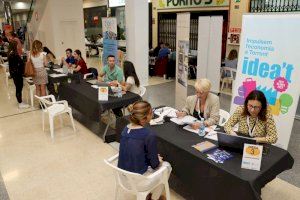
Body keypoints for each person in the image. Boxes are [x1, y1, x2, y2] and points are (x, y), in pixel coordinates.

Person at [118, 100, 171, 200]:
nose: (153, 114)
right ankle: (154, 198)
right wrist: (157, 160)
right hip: (138, 181)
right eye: (151, 112)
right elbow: (154, 165)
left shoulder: (125, 129)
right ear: (145, 117)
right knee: (167, 167)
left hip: (122, 177)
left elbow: (136, 150)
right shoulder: (149, 135)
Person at [8, 41, 29, 109]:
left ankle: (20, 101)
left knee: (18, 88)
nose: (18, 46)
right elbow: (20, 63)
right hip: (17, 73)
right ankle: (20, 103)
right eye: (17, 45)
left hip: (15, 73)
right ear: (14, 46)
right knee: (19, 88)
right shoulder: (14, 54)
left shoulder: (11, 53)